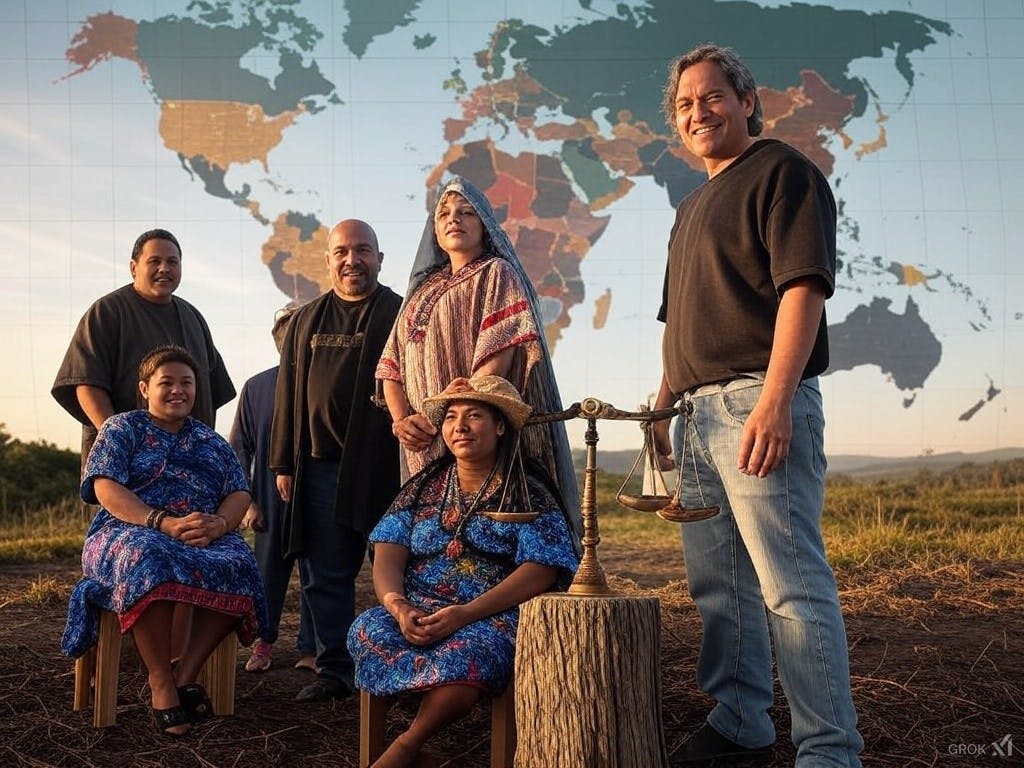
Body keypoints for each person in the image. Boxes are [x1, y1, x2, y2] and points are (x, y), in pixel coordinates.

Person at [652, 44, 863, 767]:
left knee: (789, 585)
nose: (698, 112)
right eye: (685, 105)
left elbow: (803, 288)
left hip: (755, 401)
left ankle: (828, 750)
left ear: (746, 101)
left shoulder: (783, 172)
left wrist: (775, 401)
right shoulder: (688, 210)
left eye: (712, 96)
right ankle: (740, 721)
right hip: (693, 416)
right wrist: (661, 410)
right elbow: (679, 322)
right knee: (720, 589)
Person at [348, 374, 578, 768]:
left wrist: (465, 614)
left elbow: (542, 568)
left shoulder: (526, 491)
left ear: (500, 426)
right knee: (367, 629)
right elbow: (388, 551)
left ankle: (405, 747)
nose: (460, 426)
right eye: (452, 417)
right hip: (416, 610)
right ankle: (418, 755)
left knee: (469, 657)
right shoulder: (423, 488)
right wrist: (399, 606)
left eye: (474, 416)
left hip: (490, 617)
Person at [60, 345, 269, 736]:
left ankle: (184, 673)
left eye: (186, 383)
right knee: (149, 556)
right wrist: (160, 521)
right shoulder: (122, 429)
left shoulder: (211, 441)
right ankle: (160, 680)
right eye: (166, 382)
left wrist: (220, 525)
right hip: (127, 530)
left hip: (199, 534)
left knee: (239, 562)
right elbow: (104, 487)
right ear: (145, 388)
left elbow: (239, 492)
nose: (178, 390)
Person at [375, 176, 579, 538]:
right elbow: (390, 366)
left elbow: (498, 351)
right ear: (435, 232)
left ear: (484, 225)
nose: (454, 218)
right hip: (420, 442)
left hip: (469, 430)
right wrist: (402, 421)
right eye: (444, 214)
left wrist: (441, 413)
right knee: (430, 536)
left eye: (466, 212)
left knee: (480, 533)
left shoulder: (496, 273)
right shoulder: (421, 292)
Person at [270, 219, 402, 702]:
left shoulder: (400, 313)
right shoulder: (306, 320)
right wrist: (284, 463)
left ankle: (403, 666)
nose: (352, 260)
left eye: (363, 250)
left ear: (379, 259)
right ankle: (335, 670)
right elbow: (287, 393)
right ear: (327, 260)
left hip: (386, 467)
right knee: (324, 575)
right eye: (342, 252)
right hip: (319, 466)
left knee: (398, 570)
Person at [52, 228, 235, 467]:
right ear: (133, 268)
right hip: (124, 463)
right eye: (154, 261)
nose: (164, 268)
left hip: (188, 466)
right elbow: (86, 384)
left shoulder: (194, 318)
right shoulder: (107, 312)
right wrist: (121, 441)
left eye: (172, 262)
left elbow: (211, 392)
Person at [229, 306, 316, 673]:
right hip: (267, 497)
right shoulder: (257, 387)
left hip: (315, 496)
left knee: (317, 575)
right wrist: (248, 502)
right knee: (266, 575)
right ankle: (263, 643)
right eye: (287, 332)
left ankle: (312, 649)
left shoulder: (324, 384)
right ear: (279, 340)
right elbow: (238, 447)